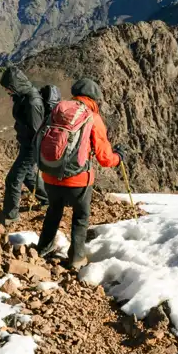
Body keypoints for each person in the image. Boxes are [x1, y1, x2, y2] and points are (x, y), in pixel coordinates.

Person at [37, 78, 125, 271]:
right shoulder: (92, 117)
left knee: (53, 211)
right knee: (80, 217)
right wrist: (118, 157)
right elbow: (104, 157)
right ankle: (76, 258)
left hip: (50, 174)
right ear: (94, 98)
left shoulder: (58, 109)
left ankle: (42, 249)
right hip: (78, 179)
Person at [0, 67, 49, 224]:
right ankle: (48, 200)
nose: (6, 90)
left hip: (32, 147)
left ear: (16, 85)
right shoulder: (22, 96)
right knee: (28, 175)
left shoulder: (32, 102)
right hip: (27, 144)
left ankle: (11, 216)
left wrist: (34, 153)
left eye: (8, 87)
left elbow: (37, 131)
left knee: (13, 179)